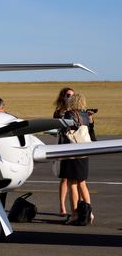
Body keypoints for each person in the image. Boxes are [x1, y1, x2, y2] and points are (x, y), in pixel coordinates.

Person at [60, 93, 96, 225]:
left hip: (73, 151)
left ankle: (74, 213)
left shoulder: (70, 114)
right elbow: (91, 131)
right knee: (82, 183)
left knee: (72, 184)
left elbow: (65, 131)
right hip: (84, 152)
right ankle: (89, 212)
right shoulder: (86, 115)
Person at [53, 87, 74, 217]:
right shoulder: (59, 112)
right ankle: (62, 206)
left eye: (72, 95)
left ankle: (76, 207)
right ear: (63, 97)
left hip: (75, 144)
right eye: (68, 95)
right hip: (63, 145)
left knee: (76, 179)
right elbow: (57, 126)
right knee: (65, 178)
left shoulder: (76, 110)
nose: (70, 97)